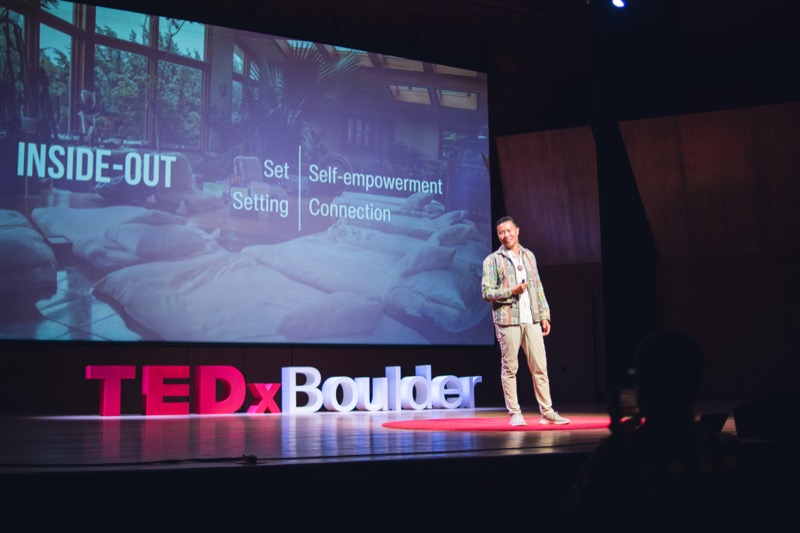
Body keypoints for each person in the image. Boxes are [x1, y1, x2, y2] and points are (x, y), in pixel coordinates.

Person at [565, 330, 755, 532]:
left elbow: (576, 514)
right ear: (698, 384)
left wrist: (620, 442)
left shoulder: (614, 458)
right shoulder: (728, 451)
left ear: (641, 387)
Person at [481, 216, 570, 426]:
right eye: (501, 232)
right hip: (508, 320)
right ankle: (515, 413)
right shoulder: (492, 260)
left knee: (540, 366)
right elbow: (486, 293)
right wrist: (511, 291)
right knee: (510, 368)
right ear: (498, 235)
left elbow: (537, 286)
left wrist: (544, 315)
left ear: (517, 231)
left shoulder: (529, 256)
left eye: (509, 231)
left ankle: (547, 412)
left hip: (531, 319)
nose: (506, 235)